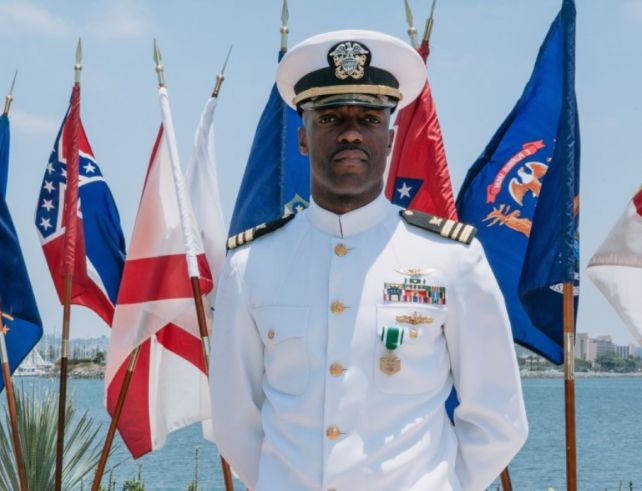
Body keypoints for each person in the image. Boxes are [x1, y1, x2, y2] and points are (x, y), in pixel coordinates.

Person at [210, 30, 528, 491]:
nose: (351, 131)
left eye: (369, 118)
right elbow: (234, 421)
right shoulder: (251, 265)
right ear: (302, 137)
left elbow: (498, 417)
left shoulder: (451, 258)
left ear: (391, 136)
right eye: (330, 118)